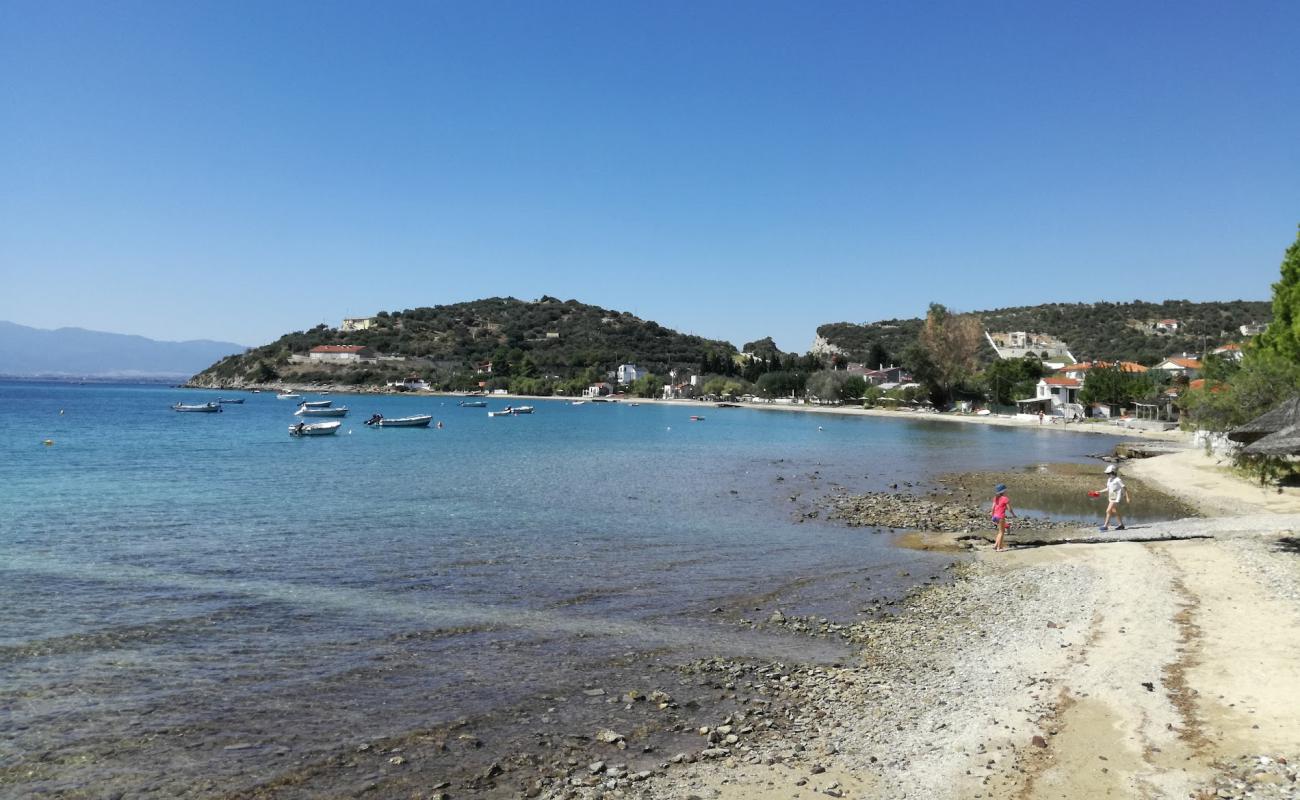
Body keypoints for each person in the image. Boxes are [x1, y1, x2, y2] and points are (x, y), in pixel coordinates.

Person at [1099, 464, 1129, 531]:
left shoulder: (1118, 480)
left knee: (1108, 510)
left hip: (1116, 497)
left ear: (1113, 472)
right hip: (1112, 496)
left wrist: (1127, 497)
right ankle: (1121, 525)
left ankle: (1105, 526)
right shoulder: (1109, 480)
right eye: (1107, 473)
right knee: (1114, 510)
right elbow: (1108, 488)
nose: (1108, 475)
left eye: (1109, 473)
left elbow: (1125, 488)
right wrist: (1099, 491)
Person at [991, 483, 1016, 551]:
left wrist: (992, 516)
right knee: (1002, 532)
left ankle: (995, 545)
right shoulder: (1005, 499)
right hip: (1001, 516)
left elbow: (992, 508)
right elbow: (1009, 509)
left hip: (995, 516)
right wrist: (1013, 515)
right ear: (1003, 491)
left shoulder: (995, 498)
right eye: (1005, 490)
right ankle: (999, 548)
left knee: (999, 532)